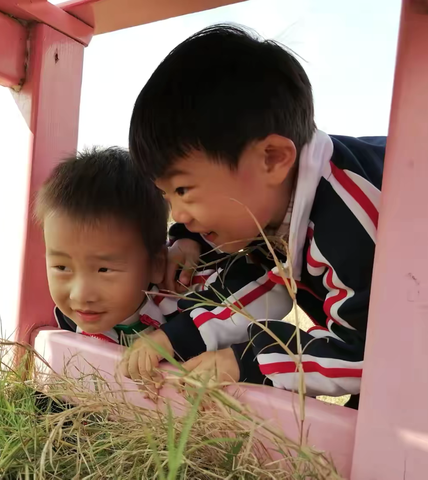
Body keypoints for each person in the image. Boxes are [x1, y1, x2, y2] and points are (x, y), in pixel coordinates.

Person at [122, 24, 385, 407]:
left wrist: (251, 360)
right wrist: (189, 241)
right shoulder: (268, 205)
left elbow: (377, 354)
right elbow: (258, 280)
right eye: (167, 196)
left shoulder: (355, 227)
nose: (178, 214)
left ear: (272, 159)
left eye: (183, 190)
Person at [35, 146, 177, 346]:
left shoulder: (182, 323)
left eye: (104, 269)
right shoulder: (64, 321)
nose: (80, 295)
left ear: (156, 266)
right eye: (62, 267)